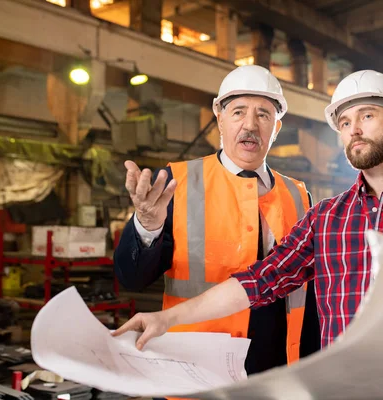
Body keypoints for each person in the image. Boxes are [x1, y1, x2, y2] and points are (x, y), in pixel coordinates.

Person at [113, 70, 383, 399]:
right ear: (219, 116)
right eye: (344, 121)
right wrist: (165, 317)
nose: (353, 129)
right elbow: (259, 281)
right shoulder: (327, 218)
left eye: (367, 115)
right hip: (322, 389)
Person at [113, 65, 321, 376]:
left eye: (264, 114)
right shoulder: (177, 183)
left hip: (276, 371)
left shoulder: (298, 194)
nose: (250, 125)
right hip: (195, 371)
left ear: (277, 126)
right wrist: (146, 225)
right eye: (238, 112)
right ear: (219, 116)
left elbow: (310, 294)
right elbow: (131, 279)